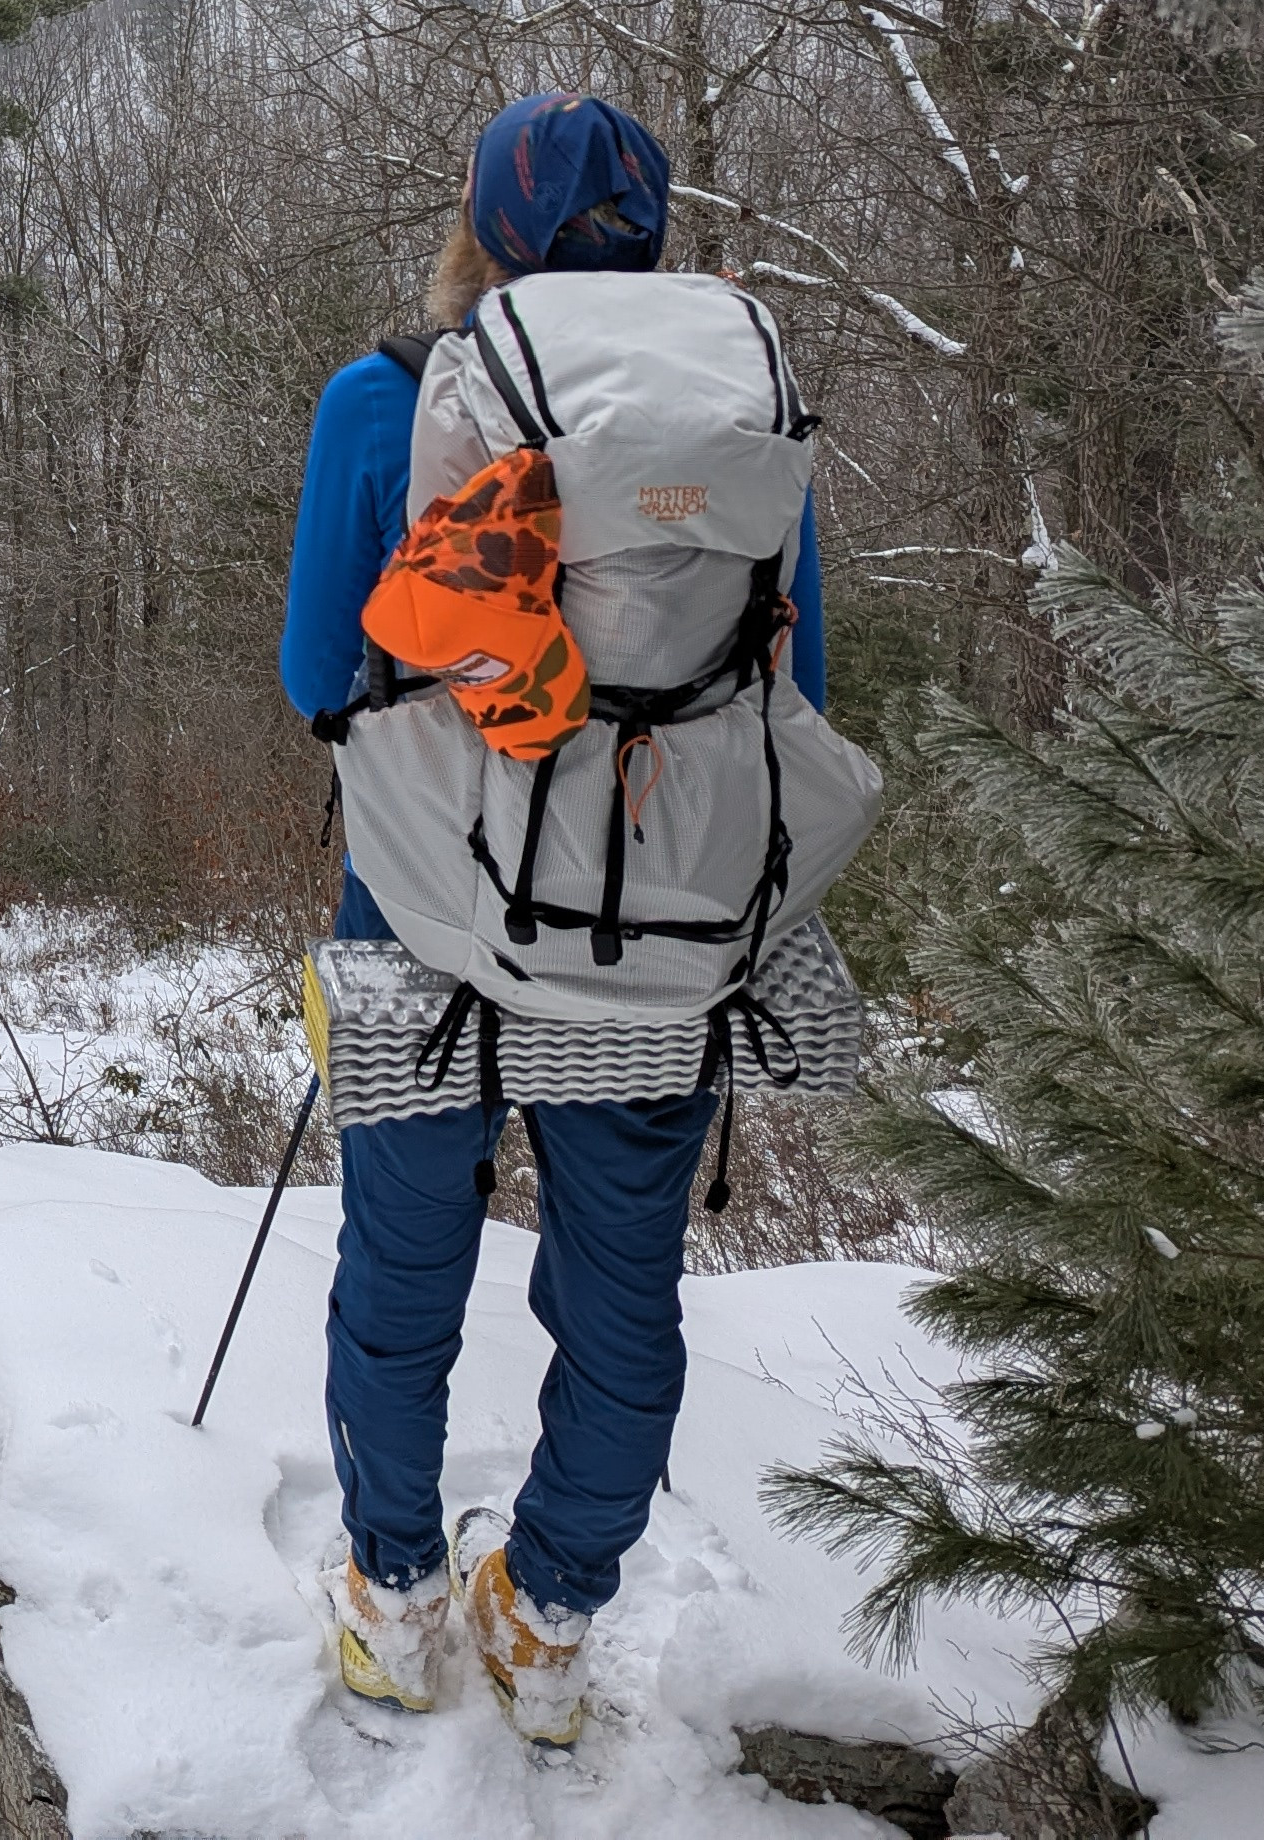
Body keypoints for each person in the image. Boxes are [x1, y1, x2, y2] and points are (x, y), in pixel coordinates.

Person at [276, 90, 828, 1743]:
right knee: (623, 1286)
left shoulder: (385, 402)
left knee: (402, 1264)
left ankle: (390, 1600)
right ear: (655, 239)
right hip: (659, 923)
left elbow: (321, 678)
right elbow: (798, 684)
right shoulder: (744, 428)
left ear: (483, 231)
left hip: (427, 922)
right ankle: (550, 1623)